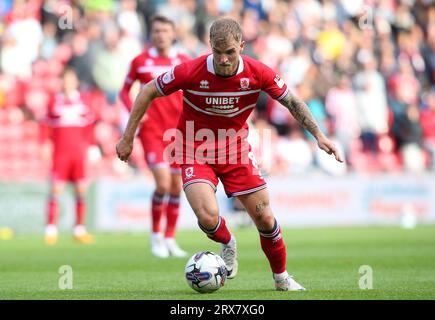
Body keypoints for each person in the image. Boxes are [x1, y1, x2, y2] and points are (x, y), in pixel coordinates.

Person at [116, 18, 342, 291]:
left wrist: (318, 135)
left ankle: (282, 278)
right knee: (207, 217)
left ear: (242, 47)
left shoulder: (258, 73)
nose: (223, 59)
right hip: (192, 148)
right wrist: (128, 137)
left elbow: (292, 101)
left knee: (265, 217)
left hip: (235, 150)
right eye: (218, 52)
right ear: (210, 46)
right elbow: (147, 91)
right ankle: (228, 241)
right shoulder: (191, 70)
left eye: (230, 52)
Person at [119, 15, 190, 258]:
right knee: (162, 183)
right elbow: (124, 92)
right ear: (151, 33)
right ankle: (155, 237)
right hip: (152, 131)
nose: (161, 34)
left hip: (178, 131)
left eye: (165, 30)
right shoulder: (140, 61)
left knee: (176, 186)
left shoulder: (182, 61)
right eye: (157, 30)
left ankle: (170, 238)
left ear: (173, 33)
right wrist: (136, 115)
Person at [43, 68, 95, 245]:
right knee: (55, 189)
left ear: (75, 82)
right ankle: (51, 229)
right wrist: (44, 145)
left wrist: (92, 146)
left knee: (81, 189)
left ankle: (79, 229)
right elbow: (45, 127)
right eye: (65, 80)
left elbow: (89, 128)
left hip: (78, 153)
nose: (67, 83)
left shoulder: (83, 101)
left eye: (71, 80)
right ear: (61, 82)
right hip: (60, 154)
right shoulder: (53, 102)